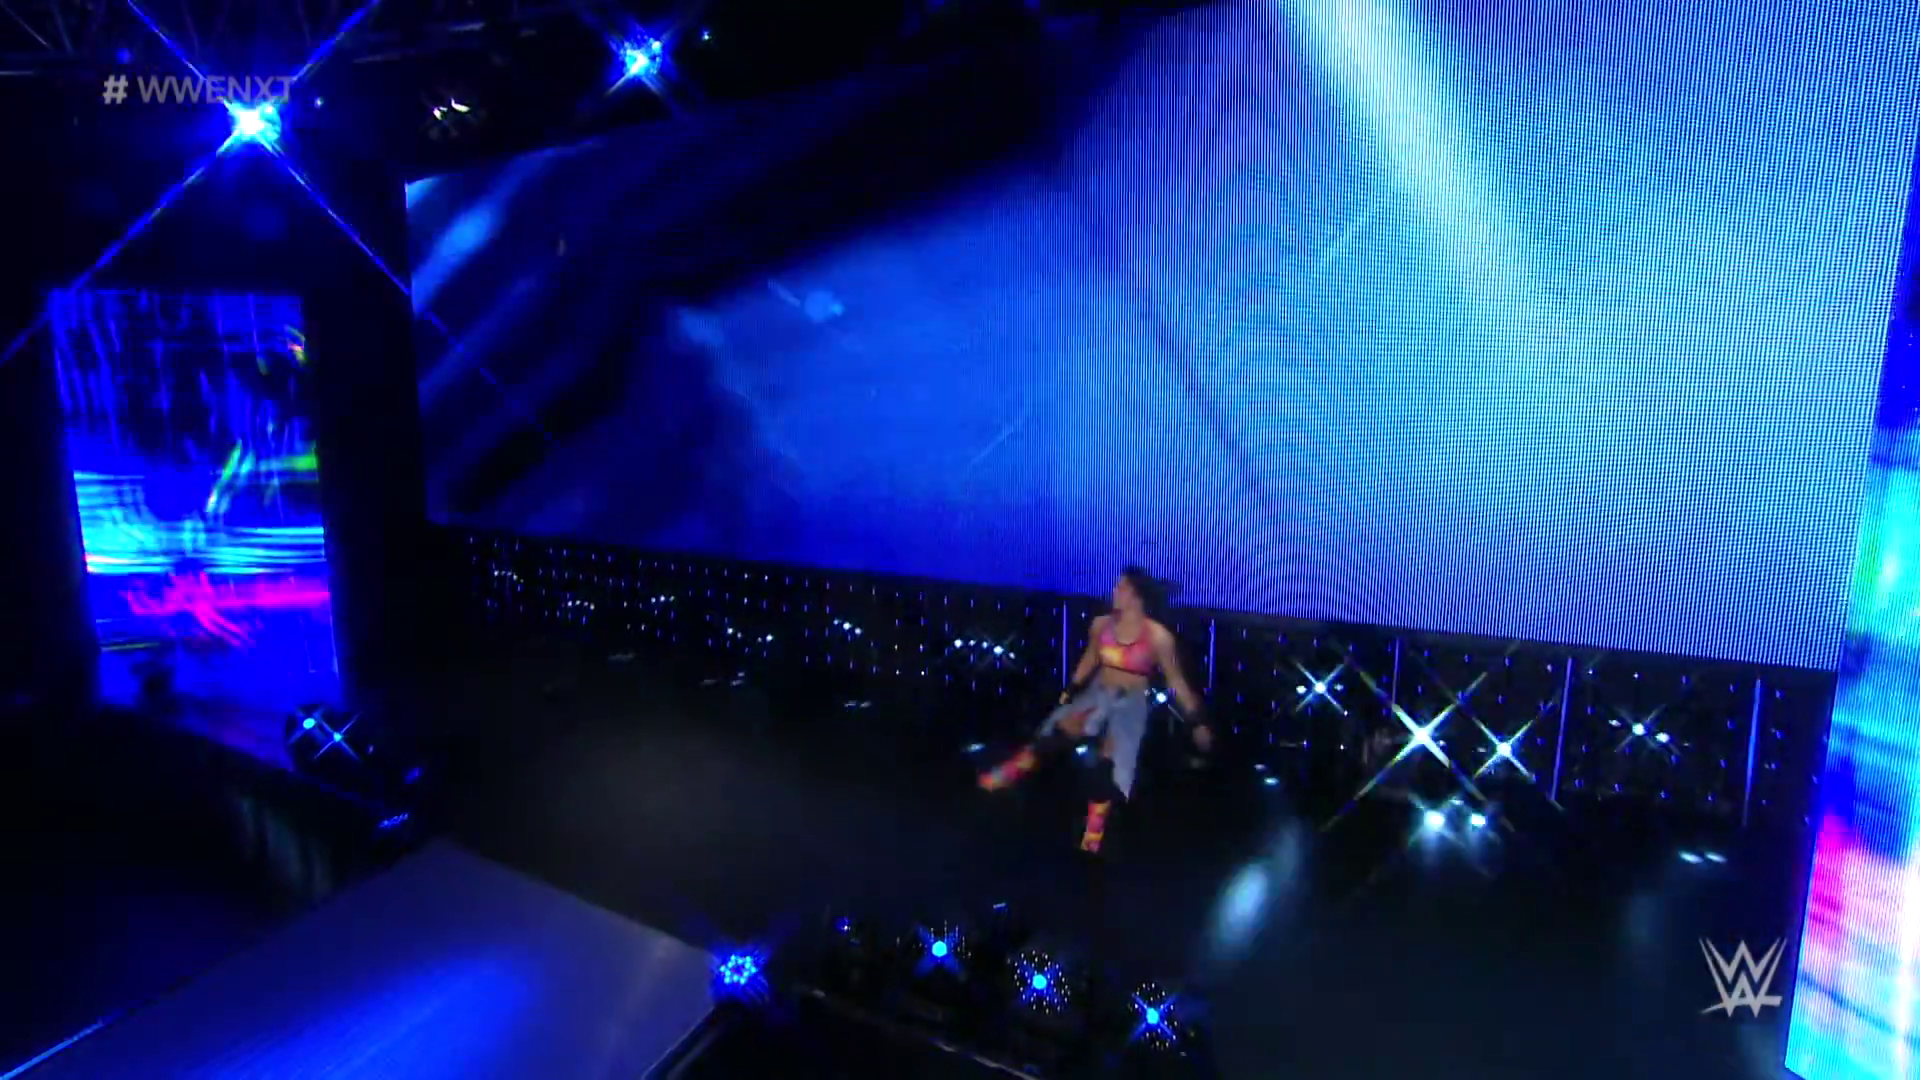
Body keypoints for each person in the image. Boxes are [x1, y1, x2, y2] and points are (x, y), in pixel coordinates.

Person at [977, 567, 1211, 854]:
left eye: (1121, 588)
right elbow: (1089, 659)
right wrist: (1071, 690)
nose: (1115, 592)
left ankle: (1094, 832)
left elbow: (1176, 681)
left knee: (1107, 767)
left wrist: (1196, 721)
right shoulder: (1102, 626)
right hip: (1097, 694)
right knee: (1052, 737)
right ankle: (1006, 775)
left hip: (1129, 703)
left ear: (1137, 596)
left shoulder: (1157, 637)